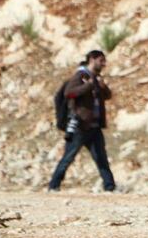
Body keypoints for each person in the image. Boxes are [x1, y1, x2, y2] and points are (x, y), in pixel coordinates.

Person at [48, 50, 116, 192]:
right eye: (101, 60)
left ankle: (110, 187)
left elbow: (107, 96)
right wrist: (89, 85)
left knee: (101, 158)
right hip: (80, 126)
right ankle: (53, 186)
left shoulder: (95, 78)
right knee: (68, 158)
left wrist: (102, 87)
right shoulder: (80, 76)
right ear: (92, 59)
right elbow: (69, 93)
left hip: (94, 127)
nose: (104, 64)